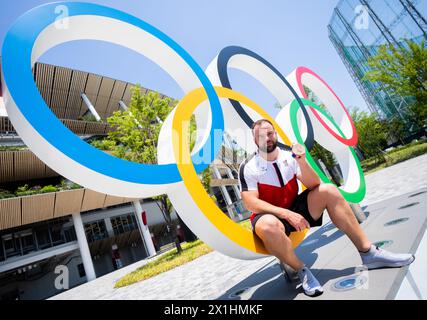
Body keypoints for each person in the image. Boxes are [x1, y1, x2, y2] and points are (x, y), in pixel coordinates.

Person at [239, 119, 415, 297]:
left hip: (294, 207)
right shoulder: (248, 167)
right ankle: (302, 271)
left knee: (328, 190)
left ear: (275, 133)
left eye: (269, 133)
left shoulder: (288, 156)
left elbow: (314, 184)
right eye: (260, 136)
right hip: (269, 216)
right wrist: (286, 214)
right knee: (269, 224)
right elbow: (251, 203)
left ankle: (368, 252)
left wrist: (302, 161)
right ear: (254, 140)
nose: (266, 138)